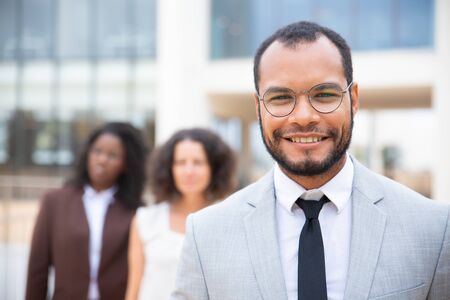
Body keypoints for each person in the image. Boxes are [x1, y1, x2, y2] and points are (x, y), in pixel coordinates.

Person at [171, 21, 450, 300]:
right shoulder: (205, 236)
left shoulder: (433, 230)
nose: (303, 116)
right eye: (280, 97)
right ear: (258, 108)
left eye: (324, 94)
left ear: (353, 99)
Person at [25, 122, 148, 300]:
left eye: (113, 155)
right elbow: (37, 269)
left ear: (126, 164)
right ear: (87, 154)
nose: (102, 159)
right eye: (97, 151)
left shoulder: (137, 210)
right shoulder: (54, 202)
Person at [125, 128, 236, 300]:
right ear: (169, 168)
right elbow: (134, 289)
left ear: (214, 168)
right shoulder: (145, 220)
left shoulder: (229, 220)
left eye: (198, 162)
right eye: (180, 162)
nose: (189, 171)